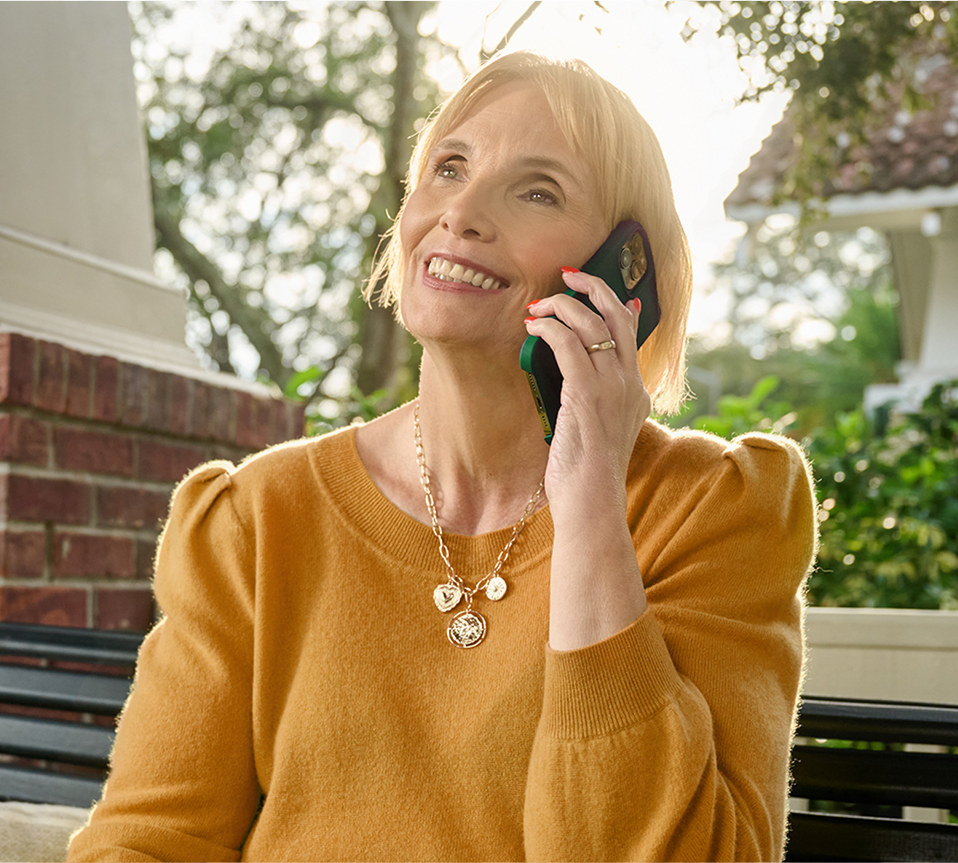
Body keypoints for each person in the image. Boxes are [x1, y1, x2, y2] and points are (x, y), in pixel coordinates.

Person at [67, 51, 816, 862]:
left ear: (623, 273)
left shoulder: (713, 510)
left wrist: (593, 500)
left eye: (538, 190)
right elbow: (148, 839)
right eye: (449, 167)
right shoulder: (256, 519)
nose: (461, 210)